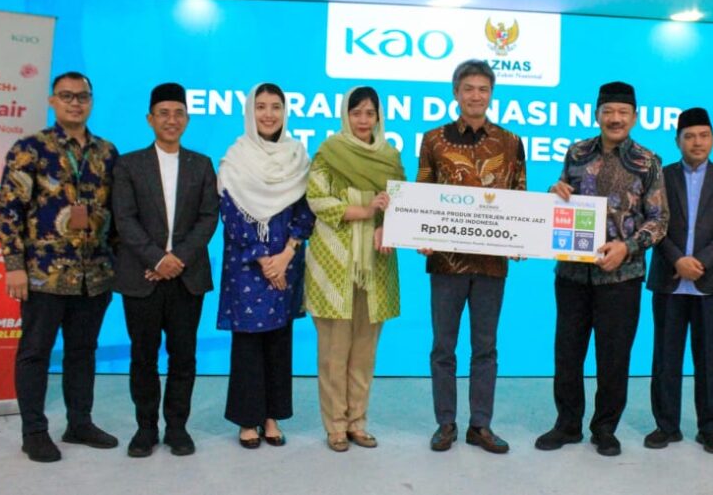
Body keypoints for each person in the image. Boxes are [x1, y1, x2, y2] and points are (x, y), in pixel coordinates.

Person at [536, 81, 668, 457]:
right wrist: (555, 193)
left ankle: (605, 428)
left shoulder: (648, 161)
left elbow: (659, 220)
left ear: (635, 117)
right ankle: (567, 424)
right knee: (567, 353)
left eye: (623, 112)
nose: (615, 118)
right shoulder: (576, 152)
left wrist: (627, 247)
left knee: (613, 357)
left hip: (621, 277)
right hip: (573, 275)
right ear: (597, 115)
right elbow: (562, 200)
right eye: (608, 111)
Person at [0, 71, 119, 462]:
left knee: (82, 352)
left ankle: (79, 423)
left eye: (82, 96)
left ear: (91, 101)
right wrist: (14, 265)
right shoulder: (30, 149)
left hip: (93, 276)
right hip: (43, 274)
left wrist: (118, 265)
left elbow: (117, 213)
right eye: (66, 96)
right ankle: (33, 432)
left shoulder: (107, 152)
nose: (75, 103)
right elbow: (9, 210)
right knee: (35, 353)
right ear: (53, 101)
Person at [418, 59, 526, 454]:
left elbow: (519, 196)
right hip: (445, 263)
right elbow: (423, 194)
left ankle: (480, 425)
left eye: (483, 89)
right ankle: (445, 423)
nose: (475, 96)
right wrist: (419, 233)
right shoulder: (434, 139)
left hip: (491, 265)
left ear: (491, 94)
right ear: (456, 93)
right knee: (443, 348)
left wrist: (522, 238)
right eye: (468, 89)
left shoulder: (511, 142)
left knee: (485, 349)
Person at [112, 83, 220, 457]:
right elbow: (124, 219)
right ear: (150, 119)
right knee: (143, 357)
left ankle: (177, 428)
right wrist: (158, 260)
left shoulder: (201, 164)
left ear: (187, 119)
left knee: (183, 357)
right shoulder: (128, 165)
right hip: (141, 276)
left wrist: (177, 260)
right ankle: (145, 428)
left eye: (178, 113)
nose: (171, 120)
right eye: (163, 113)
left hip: (187, 279)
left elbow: (208, 217)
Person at [305, 86, 405, 452]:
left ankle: (358, 423)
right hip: (334, 263)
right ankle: (335, 425)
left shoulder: (390, 158)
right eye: (356, 112)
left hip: (376, 263)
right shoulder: (329, 152)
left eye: (369, 113)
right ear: (345, 115)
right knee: (334, 352)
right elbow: (317, 199)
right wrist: (365, 211)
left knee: (364, 351)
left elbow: (402, 203)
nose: (363, 120)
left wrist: (387, 224)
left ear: (379, 117)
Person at [216, 82, 315, 449]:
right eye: (261, 106)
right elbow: (231, 213)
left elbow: (306, 210)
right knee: (248, 343)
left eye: (276, 106)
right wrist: (262, 257)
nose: (269, 114)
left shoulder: (297, 156)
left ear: (285, 112)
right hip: (247, 266)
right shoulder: (236, 158)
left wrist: (286, 255)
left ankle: (272, 417)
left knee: (278, 341)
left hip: (286, 263)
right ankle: (247, 419)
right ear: (250, 111)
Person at [644, 107, 713, 455]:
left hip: (710, 281)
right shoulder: (661, 176)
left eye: (703, 135)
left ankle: (711, 429)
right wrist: (677, 259)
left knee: (711, 359)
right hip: (669, 280)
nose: (697, 142)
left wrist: (700, 262)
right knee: (665, 358)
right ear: (678, 141)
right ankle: (666, 426)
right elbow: (652, 221)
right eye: (689, 136)